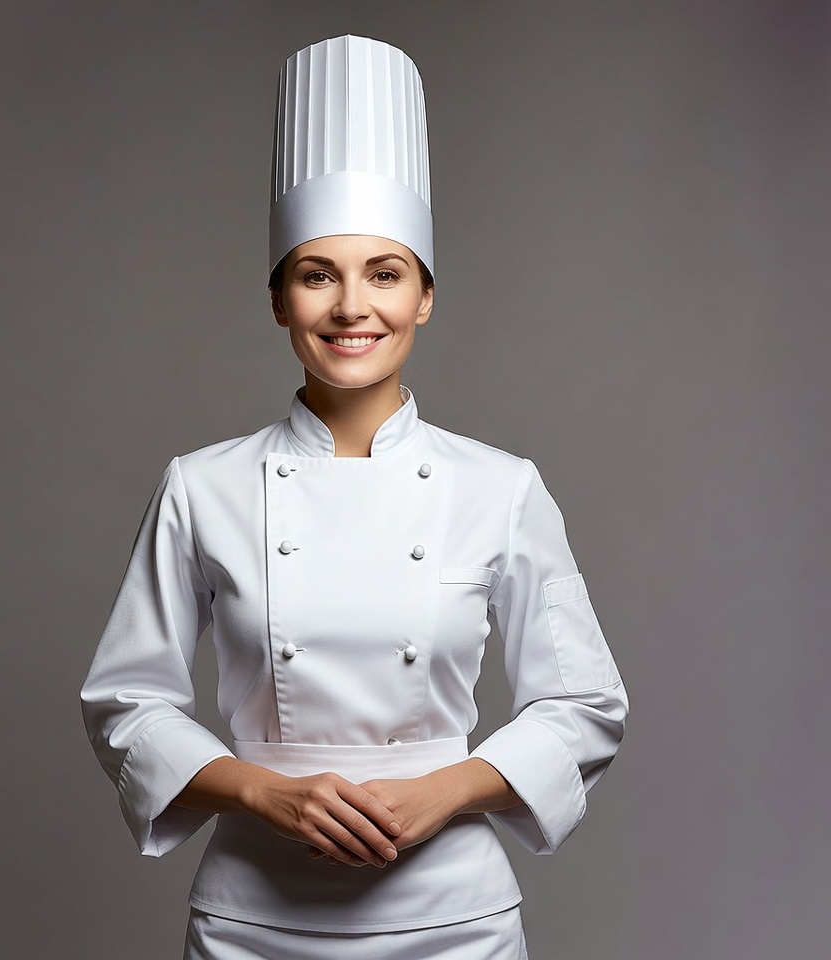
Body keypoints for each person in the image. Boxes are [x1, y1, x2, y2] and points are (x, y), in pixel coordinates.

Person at [81, 35, 628, 959]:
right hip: (253, 917)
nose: (350, 308)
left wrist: (446, 789)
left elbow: (584, 704)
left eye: (384, 273)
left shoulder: (499, 487)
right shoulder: (202, 486)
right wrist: (261, 791)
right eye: (315, 274)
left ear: (423, 298)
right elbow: (127, 700)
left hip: (456, 920)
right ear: (278, 299)